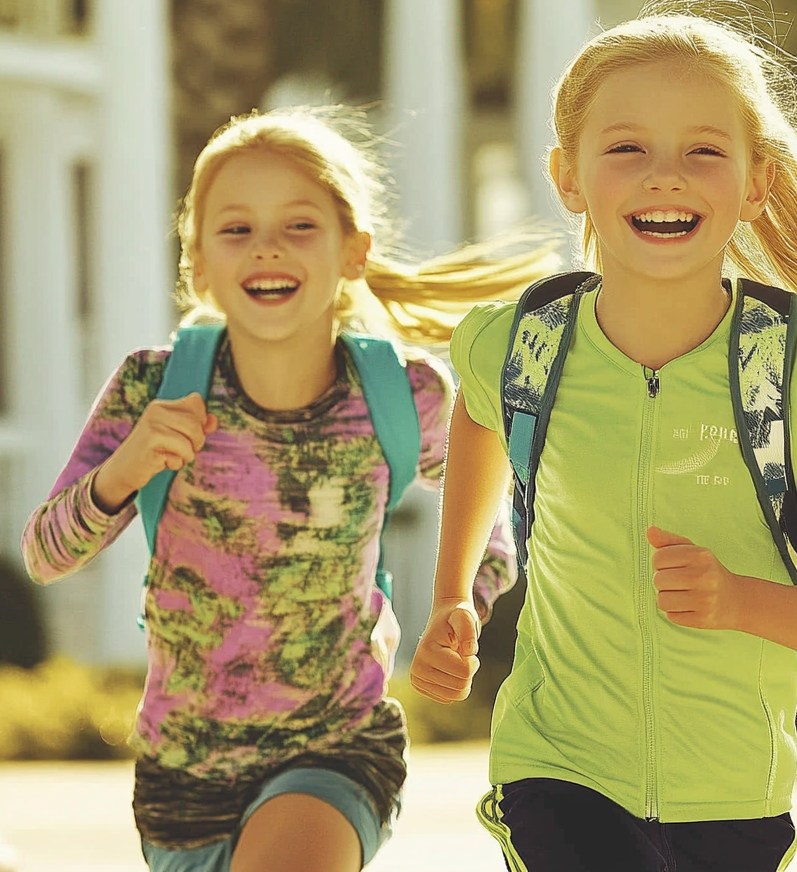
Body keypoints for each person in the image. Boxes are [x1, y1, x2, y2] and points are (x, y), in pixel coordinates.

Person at [409, 0, 797, 872]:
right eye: (626, 148)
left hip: (733, 790)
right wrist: (455, 590)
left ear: (756, 179)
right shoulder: (522, 345)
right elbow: (477, 412)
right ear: (567, 176)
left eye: (702, 150)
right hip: (555, 765)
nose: (665, 175)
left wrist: (742, 604)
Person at [20, 107, 550, 872]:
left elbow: (493, 510)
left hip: (338, 748)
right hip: (181, 780)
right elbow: (43, 553)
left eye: (299, 225)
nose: (266, 245)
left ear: (353, 250)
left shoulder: (404, 395)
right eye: (235, 229)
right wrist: (123, 470)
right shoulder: (149, 387)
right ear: (197, 263)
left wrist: (461, 599)